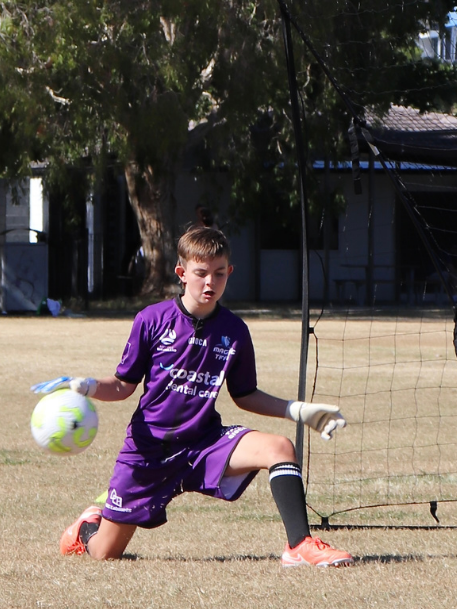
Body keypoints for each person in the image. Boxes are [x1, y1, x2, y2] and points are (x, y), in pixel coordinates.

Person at [56, 222, 354, 568]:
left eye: (219, 273)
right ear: (182, 273)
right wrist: (89, 386)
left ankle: (299, 545)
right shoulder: (151, 320)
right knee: (106, 554)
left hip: (203, 444)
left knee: (280, 448)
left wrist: (298, 411)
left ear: (230, 272)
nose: (210, 282)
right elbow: (123, 385)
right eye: (201, 273)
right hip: (148, 452)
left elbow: (244, 394)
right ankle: (88, 528)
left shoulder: (235, 331)